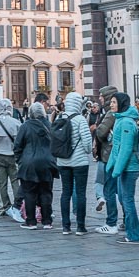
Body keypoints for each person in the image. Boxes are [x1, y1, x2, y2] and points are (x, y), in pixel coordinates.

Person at [106, 92, 139, 244]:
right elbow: (116, 147)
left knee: (127, 200)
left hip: (129, 168)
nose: (111, 105)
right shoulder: (121, 120)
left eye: (114, 102)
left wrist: (116, 169)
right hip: (125, 167)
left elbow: (126, 148)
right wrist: (111, 165)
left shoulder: (126, 123)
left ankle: (133, 235)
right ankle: (137, 231)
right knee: (125, 198)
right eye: (111, 102)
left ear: (121, 104)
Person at [54, 92, 92, 235]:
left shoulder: (59, 117)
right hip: (79, 162)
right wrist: (86, 151)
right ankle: (80, 227)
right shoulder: (80, 119)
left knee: (65, 192)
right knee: (80, 193)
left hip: (62, 161)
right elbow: (87, 143)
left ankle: (65, 226)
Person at [14, 102, 57, 229]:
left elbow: (17, 146)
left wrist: (20, 160)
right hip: (48, 162)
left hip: (29, 163)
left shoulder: (25, 126)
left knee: (29, 192)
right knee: (46, 192)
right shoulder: (50, 126)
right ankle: (47, 221)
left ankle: (31, 221)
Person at [92, 85, 121, 234]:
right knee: (121, 191)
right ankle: (128, 220)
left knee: (109, 189)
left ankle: (111, 223)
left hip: (108, 155)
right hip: (116, 155)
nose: (100, 99)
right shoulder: (118, 112)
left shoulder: (110, 114)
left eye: (102, 96)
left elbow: (101, 131)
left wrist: (98, 129)